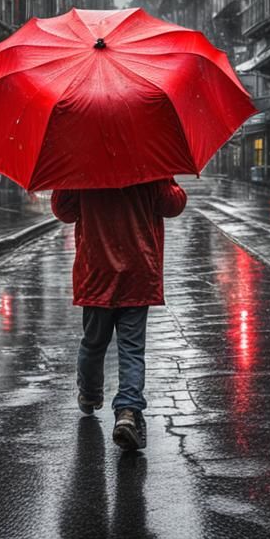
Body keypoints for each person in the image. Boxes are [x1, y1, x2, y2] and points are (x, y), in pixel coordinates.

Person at [51, 178, 187, 451]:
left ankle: (90, 394)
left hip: (96, 271)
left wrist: (68, 182)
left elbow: (63, 209)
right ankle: (127, 411)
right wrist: (170, 182)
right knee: (132, 348)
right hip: (138, 269)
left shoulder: (81, 167)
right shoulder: (150, 164)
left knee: (93, 342)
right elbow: (172, 205)